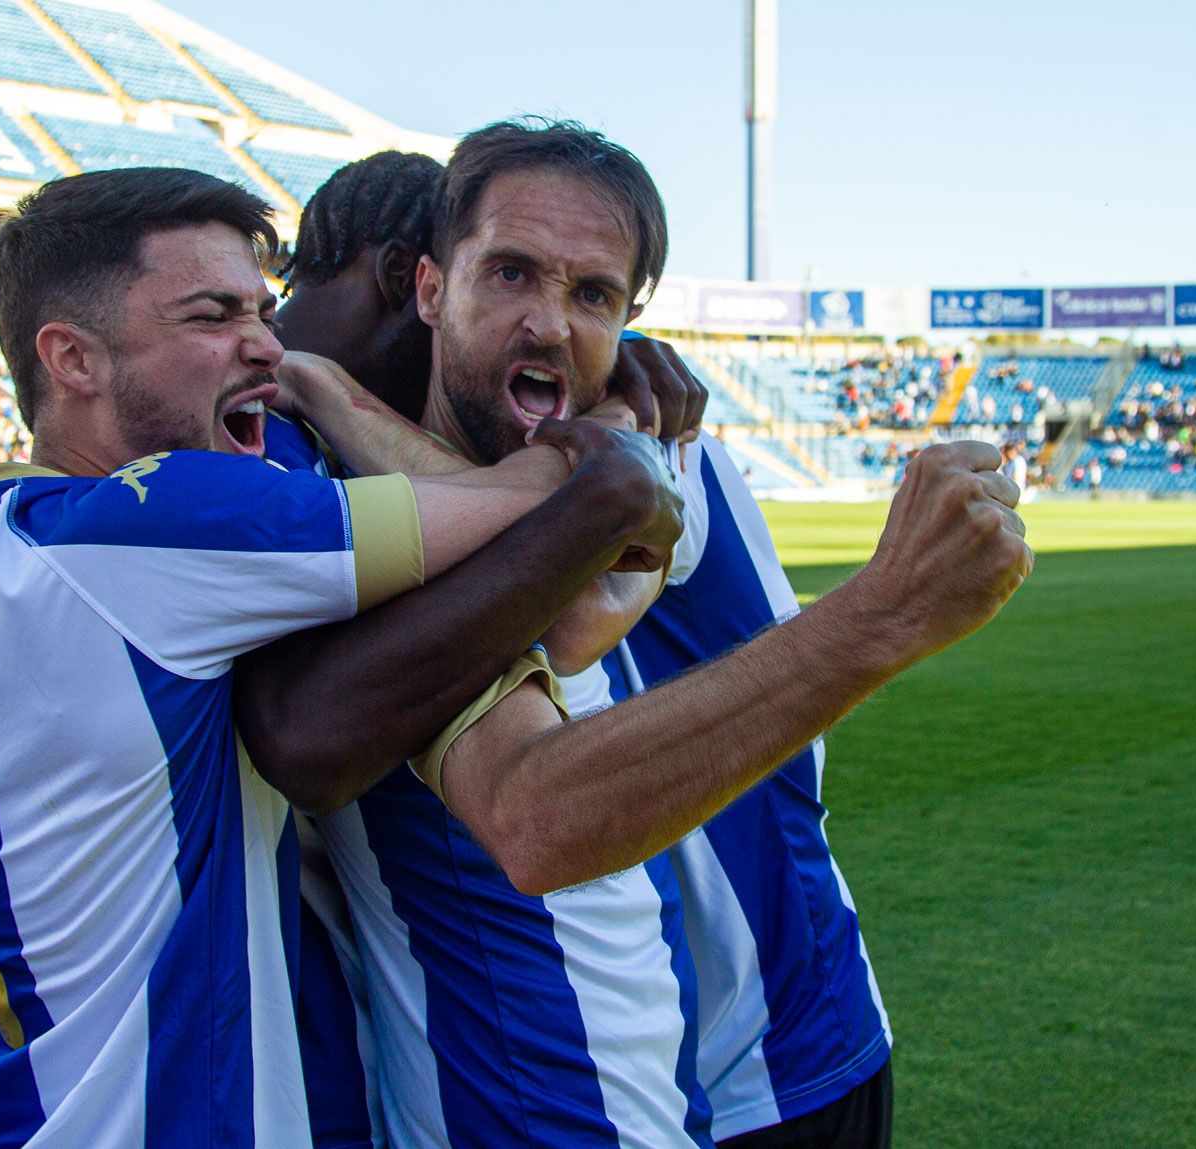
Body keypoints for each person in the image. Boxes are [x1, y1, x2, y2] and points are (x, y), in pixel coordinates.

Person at [273, 122, 1030, 1148]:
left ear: (631, 319)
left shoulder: (662, 448)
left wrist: (325, 386)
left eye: (593, 295)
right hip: (643, 1076)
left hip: (780, 1039)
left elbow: (571, 593)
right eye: (509, 275)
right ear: (426, 289)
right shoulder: (377, 489)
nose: (547, 322)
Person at [0, 165, 690, 1147]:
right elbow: (552, 513)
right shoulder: (162, 525)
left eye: (264, 309)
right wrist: (616, 429)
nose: (266, 344)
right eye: (211, 316)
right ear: (73, 359)